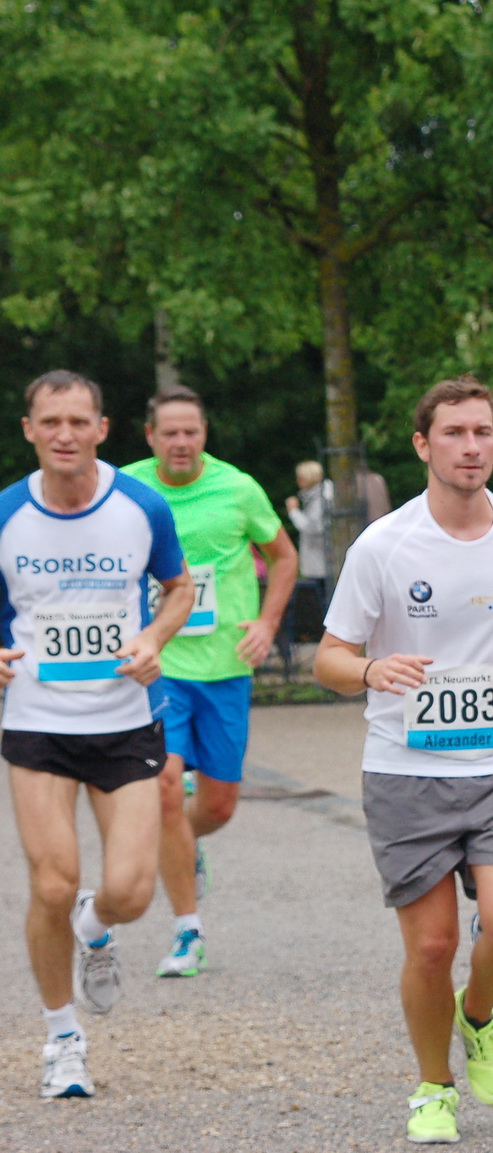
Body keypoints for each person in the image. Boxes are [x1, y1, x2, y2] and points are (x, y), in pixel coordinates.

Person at [313, 374, 493, 1144]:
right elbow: (330, 654)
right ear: (424, 445)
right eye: (455, 433)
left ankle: (479, 1013)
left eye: (483, 433)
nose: (471, 446)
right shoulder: (385, 543)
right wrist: (370, 670)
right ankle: (433, 1086)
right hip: (405, 767)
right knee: (431, 944)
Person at [1, 370, 194, 1098]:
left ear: (102, 428)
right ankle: (62, 1039)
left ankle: (97, 921)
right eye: (50, 421)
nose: (64, 434)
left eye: (78, 421)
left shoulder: (141, 506)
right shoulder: (7, 514)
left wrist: (154, 637)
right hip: (38, 719)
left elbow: (178, 589)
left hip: (123, 720)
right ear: (29, 429)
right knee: (50, 882)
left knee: (131, 890)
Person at [121, 387, 298, 980]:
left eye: (190, 432)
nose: (180, 443)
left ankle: (183, 844)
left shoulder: (238, 488)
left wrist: (269, 622)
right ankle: (187, 931)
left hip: (225, 666)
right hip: (158, 664)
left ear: (204, 435)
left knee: (218, 805)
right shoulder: (125, 489)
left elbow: (284, 556)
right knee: (167, 786)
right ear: (150, 437)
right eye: (168, 433)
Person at [286, 459, 334, 589]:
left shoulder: (321, 498)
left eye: (300, 477)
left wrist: (293, 512)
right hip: (319, 559)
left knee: (323, 596)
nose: (298, 481)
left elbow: (313, 528)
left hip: (320, 561)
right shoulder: (316, 496)